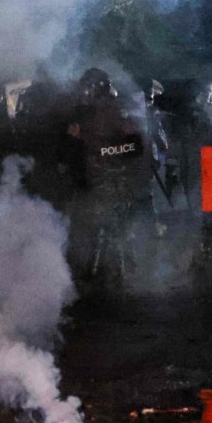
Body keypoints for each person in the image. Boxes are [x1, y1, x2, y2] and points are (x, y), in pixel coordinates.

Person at [59, 67, 152, 290]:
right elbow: (72, 150)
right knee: (86, 230)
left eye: (89, 88)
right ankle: (90, 277)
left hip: (114, 182)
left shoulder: (118, 112)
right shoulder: (81, 114)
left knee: (115, 232)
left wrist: (103, 152)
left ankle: (123, 276)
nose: (84, 93)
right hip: (90, 184)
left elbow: (135, 146)